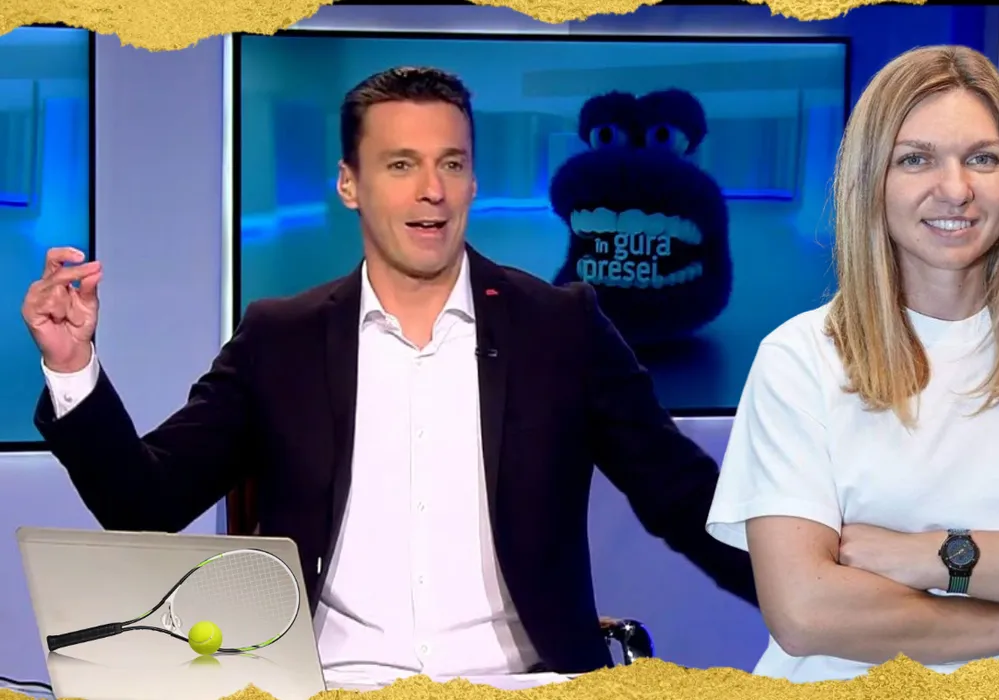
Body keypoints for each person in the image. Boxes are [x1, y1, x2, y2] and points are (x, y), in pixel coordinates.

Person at [21, 66, 757, 686]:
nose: (431, 189)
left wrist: (809, 607)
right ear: (350, 184)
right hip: (334, 681)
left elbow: (683, 498)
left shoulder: (561, 328)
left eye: (451, 164)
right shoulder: (281, 339)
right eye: (401, 165)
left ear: (472, 181)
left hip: (523, 681)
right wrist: (71, 365)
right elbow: (144, 502)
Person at [704, 45, 999, 683]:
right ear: (871, 181)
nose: (956, 190)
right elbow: (808, 611)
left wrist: (928, 556)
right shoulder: (800, 358)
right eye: (915, 159)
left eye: (982, 158)